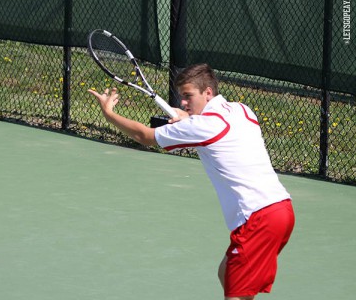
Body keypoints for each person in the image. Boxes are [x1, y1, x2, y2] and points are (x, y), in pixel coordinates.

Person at [88, 63, 295, 300]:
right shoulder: (242, 110)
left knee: (235, 295)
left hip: (258, 218)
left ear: (208, 92)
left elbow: (144, 136)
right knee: (226, 273)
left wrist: (109, 114)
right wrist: (186, 117)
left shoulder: (204, 126)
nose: (184, 102)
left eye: (188, 96)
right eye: (182, 97)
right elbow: (204, 122)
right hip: (281, 209)